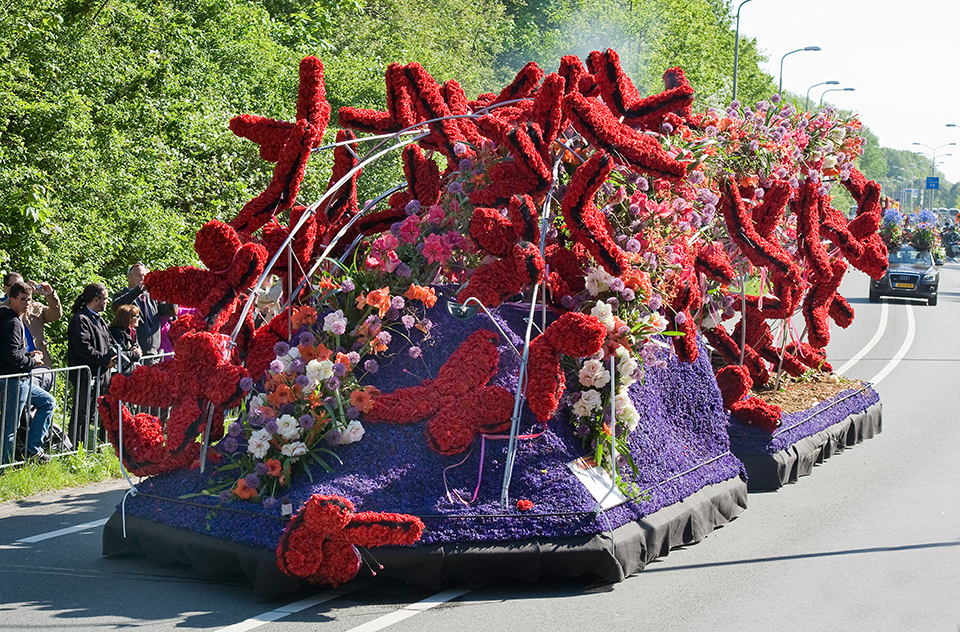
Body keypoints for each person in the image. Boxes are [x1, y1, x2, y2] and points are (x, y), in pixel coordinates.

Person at [1, 281, 56, 463]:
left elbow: (12, 351)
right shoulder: (12, 322)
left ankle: (32, 450)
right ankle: (5, 468)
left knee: (48, 401)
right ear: (12, 299)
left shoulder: (12, 319)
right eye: (23, 299)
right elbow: (11, 356)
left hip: (18, 379)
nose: (27, 304)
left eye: (29, 299)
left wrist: (28, 354)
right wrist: (33, 361)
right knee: (10, 427)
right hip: (14, 381)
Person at [67, 283, 117, 447]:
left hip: (101, 374)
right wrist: (104, 361)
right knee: (81, 413)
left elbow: (109, 342)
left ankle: (95, 446)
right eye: (105, 299)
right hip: (85, 375)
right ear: (96, 299)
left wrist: (118, 355)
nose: (107, 302)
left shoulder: (99, 319)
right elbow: (83, 347)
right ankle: (75, 448)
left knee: (95, 412)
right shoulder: (80, 319)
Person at [1, 272, 62, 392]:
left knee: (44, 402)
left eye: (22, 284)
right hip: (14, 370)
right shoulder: (4, 310)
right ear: (5, 288)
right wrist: (18, 297)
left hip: (36, 364)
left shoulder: (33, 307)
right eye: (15, 286)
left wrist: (50, 295)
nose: (18, 287)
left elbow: (55, 315)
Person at [112, 263, 167, 363]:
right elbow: (116, 306)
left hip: (153, 354)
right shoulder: (121, 295)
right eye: (139, 276)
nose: (143, 279)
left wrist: (170, 292)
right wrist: (137, 291)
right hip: (134, 356)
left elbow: (169, 311)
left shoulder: (152, 297)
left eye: (145, 276)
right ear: (129, 278)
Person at [109, 304, 142, 374]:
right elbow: (118, 353)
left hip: (129, 369)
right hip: (119, 371)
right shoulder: (117, 333)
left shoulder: (132, 332)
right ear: (128, 318)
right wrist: (134, 354)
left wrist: (136, 350)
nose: (139, 319)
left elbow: (137, 349)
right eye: (137, 316)